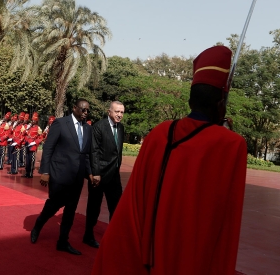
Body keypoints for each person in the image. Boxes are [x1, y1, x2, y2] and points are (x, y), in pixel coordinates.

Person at [91, 46, 247, 275]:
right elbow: (224, 229)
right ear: (220, 103)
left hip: (140, 254)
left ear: (191, 100)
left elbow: (134, 205)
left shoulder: (160, 133)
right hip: (188, 260)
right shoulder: (231, 145)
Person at [30, 98, 93, 256]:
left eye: (87, 111)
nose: (85, 113)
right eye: (83, 110)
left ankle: (63, 241)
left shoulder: (88, 129)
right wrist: (45, 172)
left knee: (70, 210)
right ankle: (38, 225)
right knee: (54, 205)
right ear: (74, 108)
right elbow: (48, 148)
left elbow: (85, 154)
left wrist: (90, 173)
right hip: (59, 174)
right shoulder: (60, 123)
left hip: (77, 177)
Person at [83, 101, 125, 248]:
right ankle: (88, 235)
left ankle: (113, 235)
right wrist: (95, 173)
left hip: (114, 175)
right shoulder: (99, 127)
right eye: (117, 112)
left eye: (121, 112)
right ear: (109, 112)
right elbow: (94, 151)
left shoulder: (121, 128)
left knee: (116, 206)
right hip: (99, 175)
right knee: (94, 207)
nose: (119, 115)